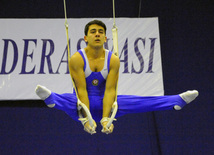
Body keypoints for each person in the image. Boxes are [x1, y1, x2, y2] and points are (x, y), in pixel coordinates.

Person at [35, 20, 199, 135]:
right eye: (93, 32)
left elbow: (110, 90)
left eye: (100, 32)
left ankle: (176, 101)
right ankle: (52, 100)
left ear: (105, 38)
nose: (97, 34)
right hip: (81, 105)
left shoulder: (112, 59)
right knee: (70, 100)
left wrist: (106, 119)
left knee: (134, 101)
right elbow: (82, 90)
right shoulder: (77, 59)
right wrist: (86, 119)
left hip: (106, 101)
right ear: (86, 38)